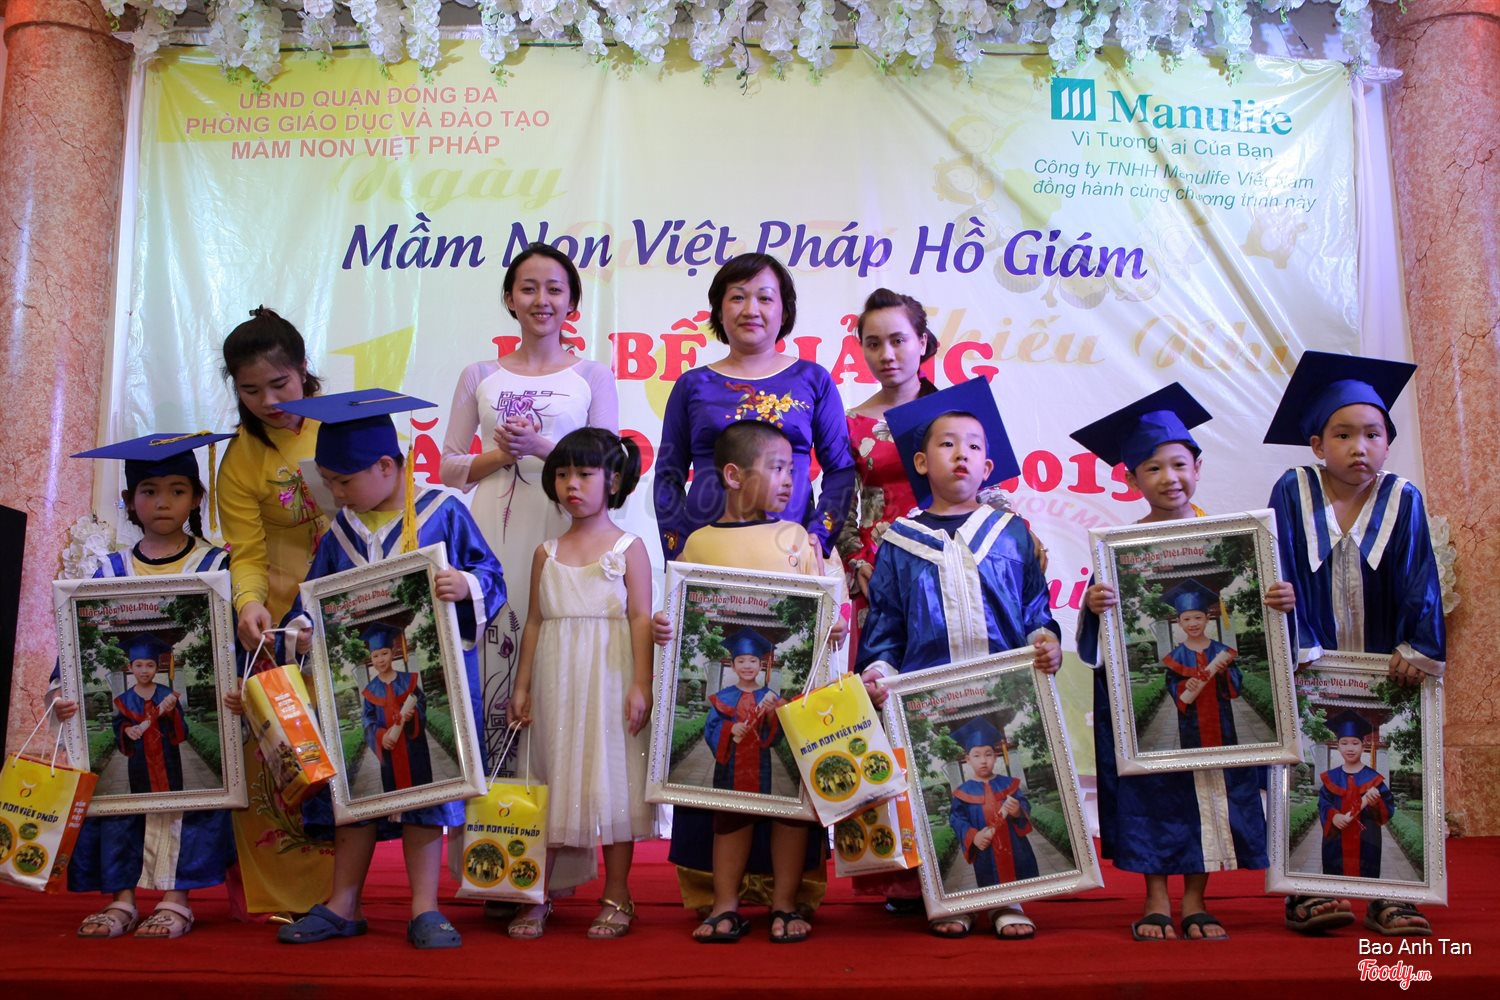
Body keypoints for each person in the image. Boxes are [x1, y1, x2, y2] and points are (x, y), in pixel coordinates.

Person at [272, 389, 506, 950]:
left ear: (385, 466)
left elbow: (491, 577)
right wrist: (299, 630)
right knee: (355, 790)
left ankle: (424, 907)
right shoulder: (340, 534)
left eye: (343, 481)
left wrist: (464, 585)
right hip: (360, 694)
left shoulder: (444, 511)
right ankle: (342, 903)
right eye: (329, 481)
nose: (335, 493)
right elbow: (310, 602)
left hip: (426, 688)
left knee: (425, 789)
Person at [1071, 384, 1293, 941]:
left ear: (1198, 467)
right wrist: (1094, 606)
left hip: (1214, 703)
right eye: (1152, 468)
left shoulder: (1234, 543)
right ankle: (1154, 899)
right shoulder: (1119, 548)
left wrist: (1278, 602)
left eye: (1178, 464)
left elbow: (1260, 627)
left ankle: (1195, 899)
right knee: (1150, 790)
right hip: (1159, 701)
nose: (1168, 477)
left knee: (1208, 790)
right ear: (1131, 479)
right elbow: (1102, 642)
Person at [856, 378, 1061, 939]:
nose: (961, 454)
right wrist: (879, 672)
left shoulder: (1011, 534)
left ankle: (1008, 897)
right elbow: (885, 624)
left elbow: (1034, 607)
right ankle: (947, 895)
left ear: (988, 465)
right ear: (922, 462)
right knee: (943, 801)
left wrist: (1046, 638)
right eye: (947, 444)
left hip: (1002, 696)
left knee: (1004, 798)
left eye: (972, 445)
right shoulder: (899, 541)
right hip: (930, 697)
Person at [1263, 351, 1444, 937]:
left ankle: (1393, 892)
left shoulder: (1403, 497)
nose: (1359, 447)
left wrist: (1418, 646)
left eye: (1373, 434)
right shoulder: (1293, 490)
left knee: (1390, 774)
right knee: (1307, 772)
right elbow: (1282, 568)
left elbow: (1421, 578)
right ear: (1317, 444)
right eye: (1343, 435)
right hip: (1311, 665)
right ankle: (1308, 888)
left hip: (1385, 668)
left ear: (1389, 443)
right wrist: (1298, 645)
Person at [653, 420, 849, 944]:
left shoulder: (797, 539)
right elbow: (679, 613)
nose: (790, 480)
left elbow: (826, 609)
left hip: (791, 706)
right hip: (735, 719)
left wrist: (834, 624)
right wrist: (664, 626)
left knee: (791, 805)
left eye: (793, 469)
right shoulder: (698, 543)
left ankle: (786, 901)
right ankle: (724, 903)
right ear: (734, 475)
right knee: (728, 806)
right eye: (778, 468)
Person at [53, 432, 240, 939]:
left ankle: (176, 902)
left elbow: (234, 646)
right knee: (120, 805)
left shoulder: (217, 567)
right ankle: (122, 901)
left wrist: (238, 689)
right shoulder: (108, 572)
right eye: (149, 491)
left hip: (177, 735)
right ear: (129, 500)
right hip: (135, 743)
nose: (163, 502)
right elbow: (75, 644)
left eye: (177, 490)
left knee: (185, 803)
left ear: (197, 498)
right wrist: (64, 694)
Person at [441, 244, 618, 769]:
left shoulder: (592, 376)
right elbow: (449, 467)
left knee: (555, 637)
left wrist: (542, 447)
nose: (542, 300)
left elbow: (610, 464)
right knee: (494, 636)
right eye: (529, 288)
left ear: (571, 303)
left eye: (554, 289)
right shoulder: (479, 375)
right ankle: (490, 781)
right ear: (509, 299)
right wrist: (502, 454)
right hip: (492, 531)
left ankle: (555, 780)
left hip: (565, 529)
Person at [507, 427, 656, 940]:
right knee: (550, 777)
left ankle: (617, 895)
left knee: (613, 782)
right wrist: (522, 686)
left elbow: (641, 618)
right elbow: (534, 621)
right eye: (563, 474)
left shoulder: (630, 547)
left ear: (613, 481)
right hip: (556, 681)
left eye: (585, 474)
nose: (572, 484)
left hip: (611, 676)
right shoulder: (545, 552)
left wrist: (641, 684)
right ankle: (536, 894)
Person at [215, 306, 334, 917]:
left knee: (343, 751)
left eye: (280, 384)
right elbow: (246, 552)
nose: (268, 401)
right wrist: (249, 603)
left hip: (346, 609)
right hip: (281, 623)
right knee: (277, 758)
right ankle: (280, 895)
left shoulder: (344, 425)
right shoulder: (241, 458)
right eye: (250, 390)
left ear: (304, 369)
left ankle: (344, 894)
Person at [653, 252, 855, 562]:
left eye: (765, 298)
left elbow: (840, 469)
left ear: (784, 312)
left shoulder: (813, 380)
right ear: (719, 311)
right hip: (707, 554)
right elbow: (668, 477)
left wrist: (819, 536)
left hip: (791, 553)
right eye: (737, 297)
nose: (750, 310)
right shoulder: (692, 385)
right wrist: (678, 548)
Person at [837, 288, 938, 639]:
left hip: (948, 568)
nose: (887, 355)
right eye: (874, 344)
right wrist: (856, 561)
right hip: (879, 574)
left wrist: (1021, 536)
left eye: (898, 341)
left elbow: (988, 492)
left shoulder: (953, 412)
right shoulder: (850, 423)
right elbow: (842, 512)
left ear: (921, 342)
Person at [946, 719, 1039, 887]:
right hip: (987, 855)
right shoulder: (962, 793)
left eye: (988, 754)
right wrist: (973, 836)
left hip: (1017, 850)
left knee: (1025, 887)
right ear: (968, 759)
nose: (983, 760)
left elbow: (1024, 804)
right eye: (976, 755)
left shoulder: (1009, 784)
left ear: (995, 757)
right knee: (994, 889)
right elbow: (957, 820)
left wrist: (1018, 810)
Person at [1159, 580, 1241, 750]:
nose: (1193, 623)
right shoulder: (1176, 657)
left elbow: (1236, 683)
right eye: (1186, 619)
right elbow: (1172, 683)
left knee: (1225, 755)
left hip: (1221, 717)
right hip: (1192, 721)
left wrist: (1224, 673)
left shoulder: (1222, 652)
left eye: (1198, 617)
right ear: (1179, 622)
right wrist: (1184, 685)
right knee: (1196, 756)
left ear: (1207, 618)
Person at [1317, 710, 1396, 879]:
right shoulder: (1330, 778)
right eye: (1344, 743)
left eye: (1355, 743)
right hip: (1336, 841)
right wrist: (1333, 816)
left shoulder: (1373, 779)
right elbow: (1323, 804)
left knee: (1365, 881)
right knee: (1335, 881)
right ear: (1338, 746)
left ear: (1363, 745)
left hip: (1367, 841)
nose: (1350, 748)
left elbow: (1387, 812)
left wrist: (1376, 803)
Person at [704, 628, 784, 794]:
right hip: (729, 765)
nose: (747, 666)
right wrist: (729, 728)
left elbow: (777, 735)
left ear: (761, 665)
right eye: (741, 661)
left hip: (759, 766)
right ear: (733, 666)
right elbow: (710, 728)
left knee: (757, 805)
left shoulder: (769, 698)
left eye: (753, 661)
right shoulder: (723, 697)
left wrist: (772, 715)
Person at [358, 623, 433, 794]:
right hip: (389, 751)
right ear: (371, 659)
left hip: (413, 748)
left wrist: (414, 714)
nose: (380, 659)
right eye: (375, 655)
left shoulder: (408, 681)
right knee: (396, 792)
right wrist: (381, 736)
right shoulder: (370, 691)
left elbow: (421, 702)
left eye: (385, 653)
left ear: (393, 652)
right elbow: (367, 720)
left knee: (419, 787)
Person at [111, 634, 189, 794]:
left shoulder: (167, 695)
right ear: (130, 667)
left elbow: (182, 730)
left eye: (150, 665)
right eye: (138, 665)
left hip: (168, 759)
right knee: (144, 798)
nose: (144, 670)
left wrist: (172, 713)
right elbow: (119, 725)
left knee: (172, 799)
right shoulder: (125, 700)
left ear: (157, 668)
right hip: (140, 761)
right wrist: (127, 730)